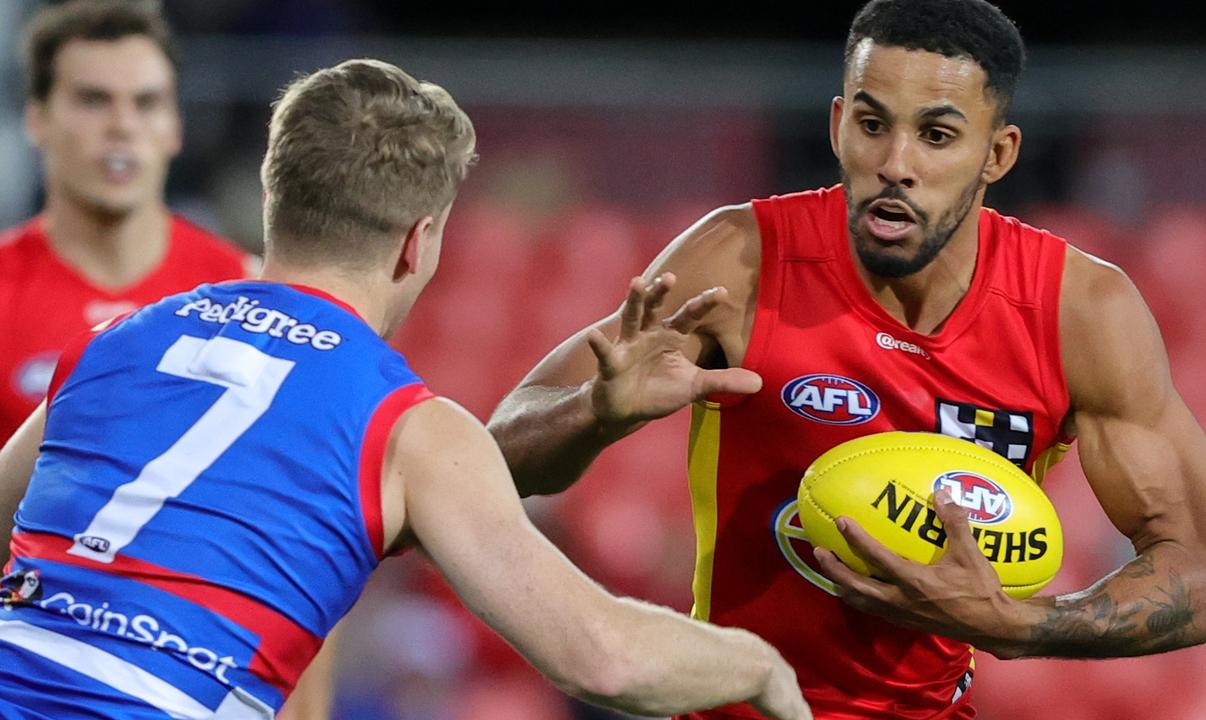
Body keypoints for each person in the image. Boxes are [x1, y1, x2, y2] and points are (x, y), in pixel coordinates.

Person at [487, 0, 1206, 717]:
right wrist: (593, 414)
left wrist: (1022, 624)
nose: (896, 164)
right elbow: (491, 458)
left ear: (997, 154)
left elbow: (1203, 580)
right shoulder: (740, 260)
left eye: (938, 136)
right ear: (840, 125)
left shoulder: (1080, 313)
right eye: (873, 125)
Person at [0, 59, 811, 720]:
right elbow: (602, 657)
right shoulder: (405, 423)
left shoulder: (115, 341)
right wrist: (762, 665)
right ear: (419, 242)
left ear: (275, 195)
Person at [0, 0, 251, 446]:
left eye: (146, 102)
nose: (122, 125)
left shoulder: (246, 292)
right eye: (93, 100)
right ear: (37, 120)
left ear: (175, 126)